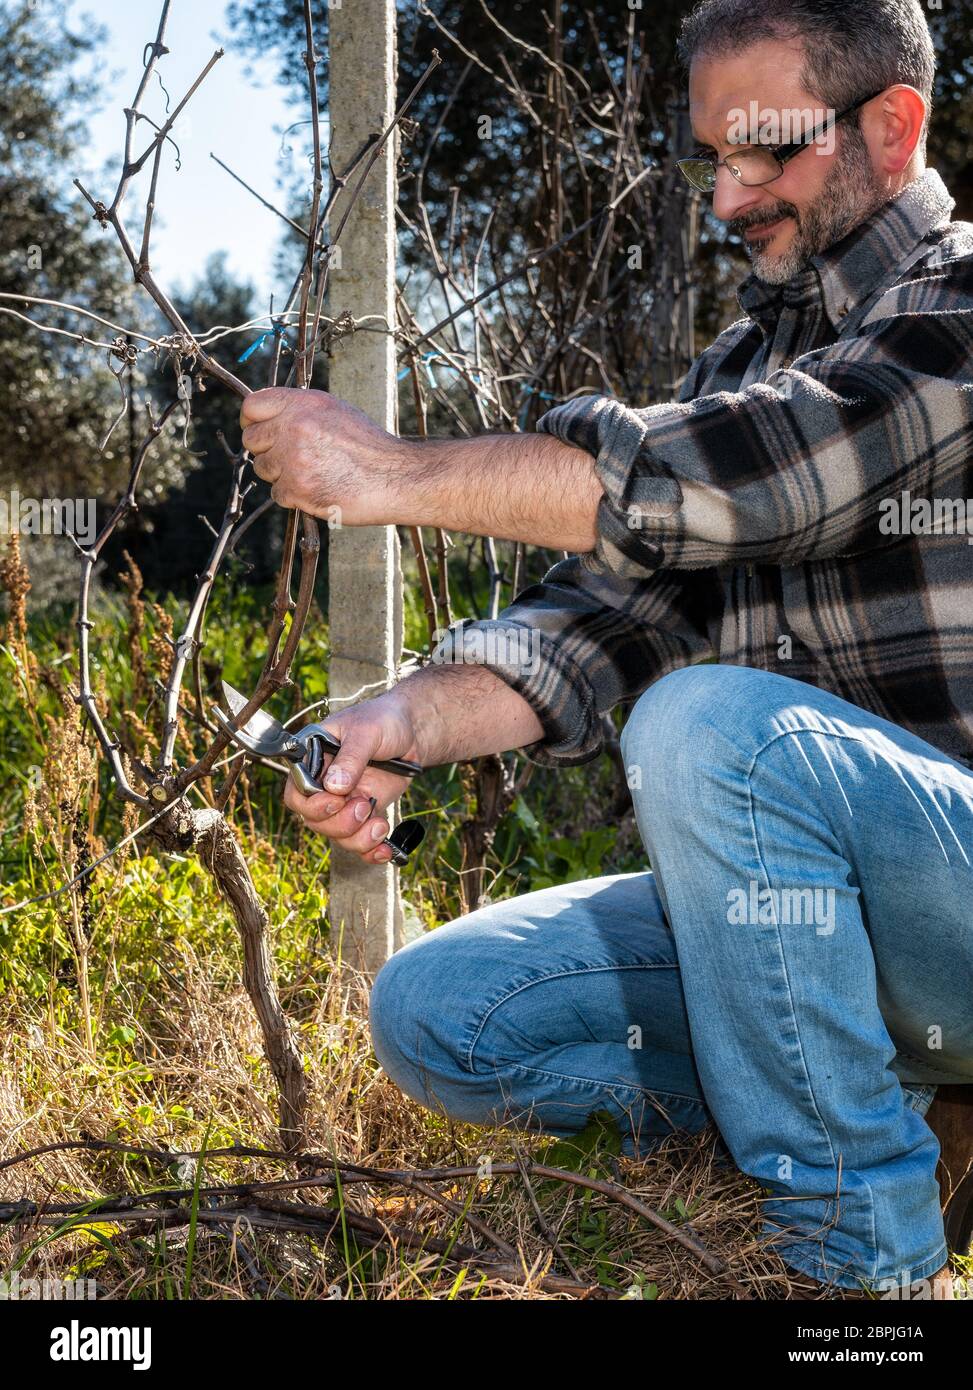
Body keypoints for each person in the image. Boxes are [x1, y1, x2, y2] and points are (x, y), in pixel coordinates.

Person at [239, 0, 972, 1297]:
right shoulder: (743, 357)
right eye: (711, 159)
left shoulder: (957, 302)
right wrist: (405, 718)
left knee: (705, 729)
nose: (727, 198)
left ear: (891, 124)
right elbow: (603, 620)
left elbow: (778, 480)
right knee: (439, 1010)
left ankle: (861, 1278)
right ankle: (886, 1119)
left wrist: (392, 472)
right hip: (822, 942)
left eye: (765, 153)